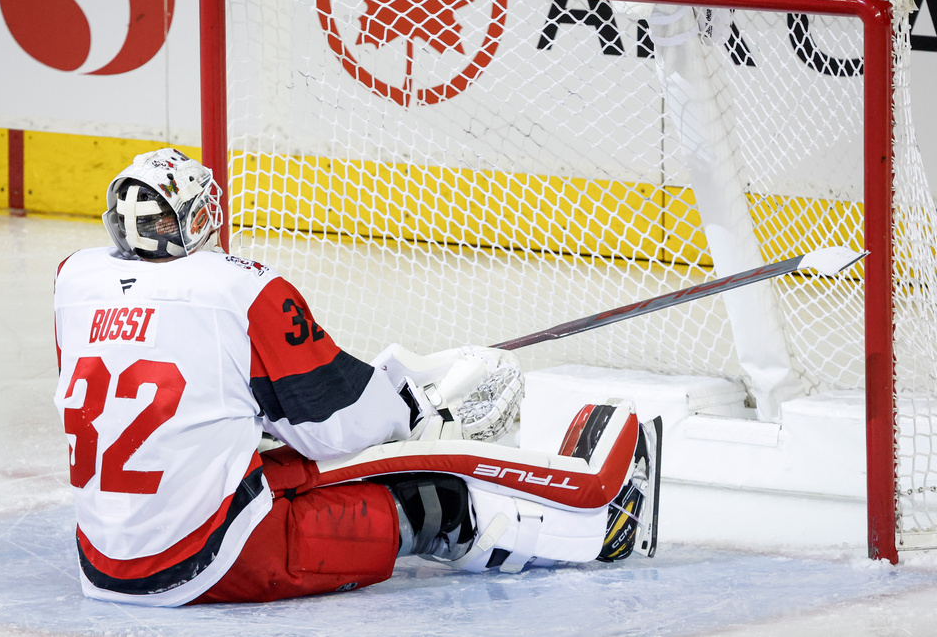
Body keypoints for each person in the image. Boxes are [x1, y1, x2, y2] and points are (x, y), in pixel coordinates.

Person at [53, 148, 661, 607]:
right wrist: (409, 408)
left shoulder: (73, 280)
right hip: (219, 561)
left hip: (104, 560)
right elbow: (334, 429)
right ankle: (598, 532)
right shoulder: (238, 288)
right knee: (431, 498)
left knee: (284, 469)